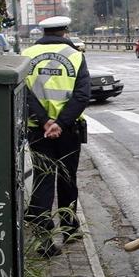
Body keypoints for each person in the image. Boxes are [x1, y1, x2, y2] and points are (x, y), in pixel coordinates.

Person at [24, 15, 90, 258]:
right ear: (64, 31)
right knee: (67, 178)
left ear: (43, 31)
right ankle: (70, 230)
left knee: (42, 181)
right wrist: (60, 123)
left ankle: (44, 240)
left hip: (38, 131)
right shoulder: (75, 55)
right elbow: (82, 95)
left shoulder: (26, 55)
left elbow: (24, 95)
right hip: (68, 131)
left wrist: (45, 122)